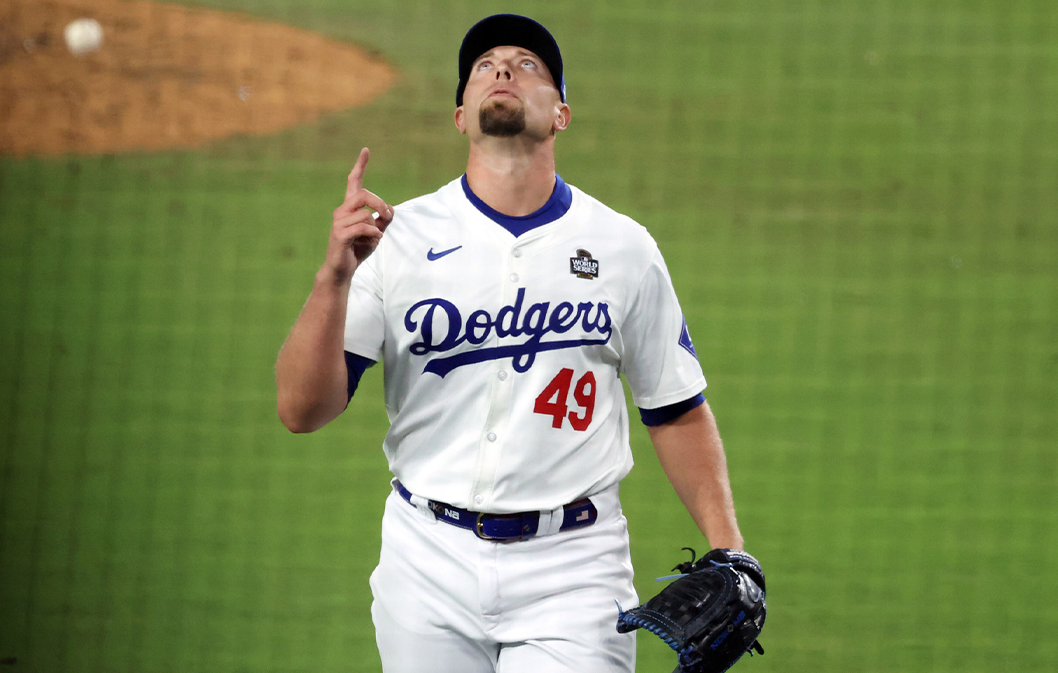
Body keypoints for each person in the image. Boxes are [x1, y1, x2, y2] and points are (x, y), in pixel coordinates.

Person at [275, 14, 744, 672]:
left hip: (573, 572)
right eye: (484, 65)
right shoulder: (396, 238)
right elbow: (301, 409)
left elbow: (676, 407)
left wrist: (730, 549)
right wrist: (332, 278)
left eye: (528, 65)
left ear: (561, 115)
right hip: (426, 563)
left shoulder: (623, 249)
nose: (502, 69)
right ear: (460, 115)